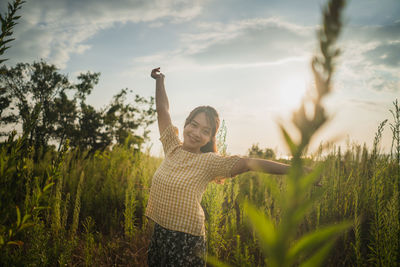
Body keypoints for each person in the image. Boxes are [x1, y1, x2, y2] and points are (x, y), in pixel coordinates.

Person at [145, 67, 290, 267]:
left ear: (210, 138)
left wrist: (295, 170)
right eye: (194, 125)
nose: (196, 133)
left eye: (205, 131)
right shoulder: (172, 146)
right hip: (160, 232)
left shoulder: (209, 161)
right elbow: (163, 110)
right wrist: (160, 81)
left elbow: (248, 163)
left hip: (186, 240)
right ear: (186, 124)